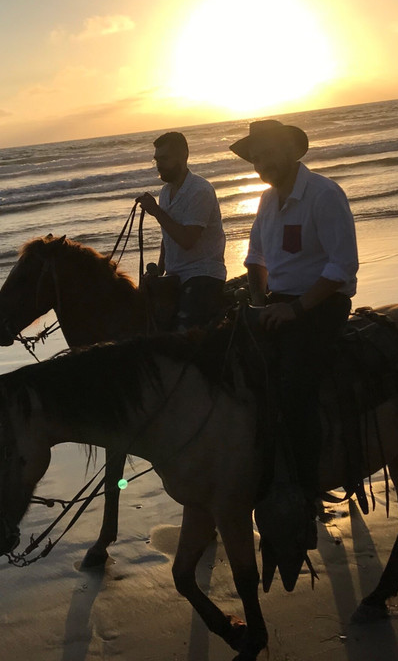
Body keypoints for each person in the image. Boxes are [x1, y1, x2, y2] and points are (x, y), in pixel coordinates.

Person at [231, 118, 359, 540]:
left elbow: (342, 267)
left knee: (293, 387)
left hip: (322, 303)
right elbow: (256, 259)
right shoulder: (266, 201)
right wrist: (256, 304)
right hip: (278, 303)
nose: (262, 163)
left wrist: (296, 311)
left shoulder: (323, 195)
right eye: (256, 157)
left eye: (269, 153)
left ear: (291, 151)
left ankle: (307, 489)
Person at [135, 131, 227, 330]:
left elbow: (187, 240)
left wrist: (156, 212)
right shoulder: (166, 191)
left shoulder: (199, 190)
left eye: (165, 158)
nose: (159, 165)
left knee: (182, 334)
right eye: (157, 159)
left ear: (183, 156)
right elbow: (168, 237)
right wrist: (159, 271)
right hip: (176, 274)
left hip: (203, 274)